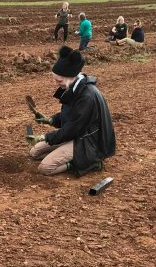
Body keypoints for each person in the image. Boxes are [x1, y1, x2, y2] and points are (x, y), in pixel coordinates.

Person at [26, 46, 116, 176]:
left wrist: (44, 137)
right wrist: (50, 119)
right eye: (55, 80)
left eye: (59, 80)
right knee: (34, 152)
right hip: (76, 134)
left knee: (45, 168)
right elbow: (70, 116)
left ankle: (86, 163)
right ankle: (67, 154)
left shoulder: (87, 97)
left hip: (88, 140)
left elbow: (73, 128)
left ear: (70, 76)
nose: (57, 83)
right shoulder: (75, 88)